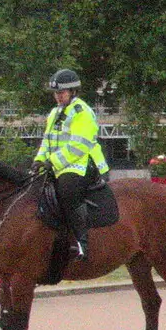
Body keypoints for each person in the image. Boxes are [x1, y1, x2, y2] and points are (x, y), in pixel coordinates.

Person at [32, 67, 108, 260]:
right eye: (56, 93)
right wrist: (39, 160)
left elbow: (78, 146)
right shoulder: (54, 112)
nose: (58, 96)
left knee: (67, 191)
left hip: (80, 164)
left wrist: (53, 162)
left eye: (62, 92)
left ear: (73, 92)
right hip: (58, 165)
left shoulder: (82, 112)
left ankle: (82, 243)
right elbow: (47, 141)